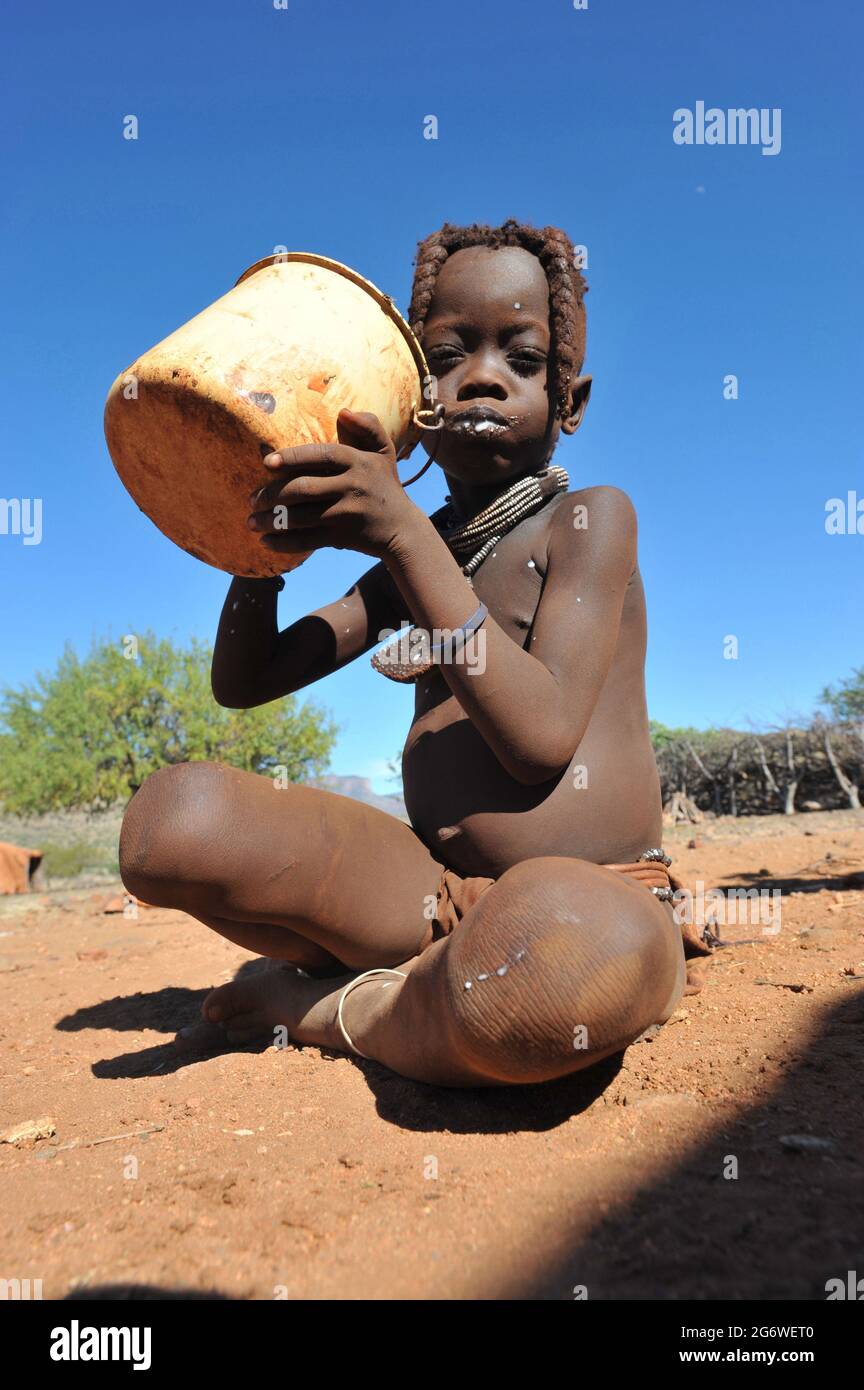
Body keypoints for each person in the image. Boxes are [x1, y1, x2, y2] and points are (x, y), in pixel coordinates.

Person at [119, 219, 690, 1087]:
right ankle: (428, 994)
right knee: (175, 827)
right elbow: (248, 682)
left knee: (544, 975)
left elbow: (538, 740)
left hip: (590, 891)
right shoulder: (419, 556)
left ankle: (321, 1008)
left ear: (569, 402)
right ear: (410, 409)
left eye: (523, 360)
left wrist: (399, 535)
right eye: (449, 357)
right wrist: (262, 545)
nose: (484, 377)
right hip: (428, 896)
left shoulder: (588, 521)